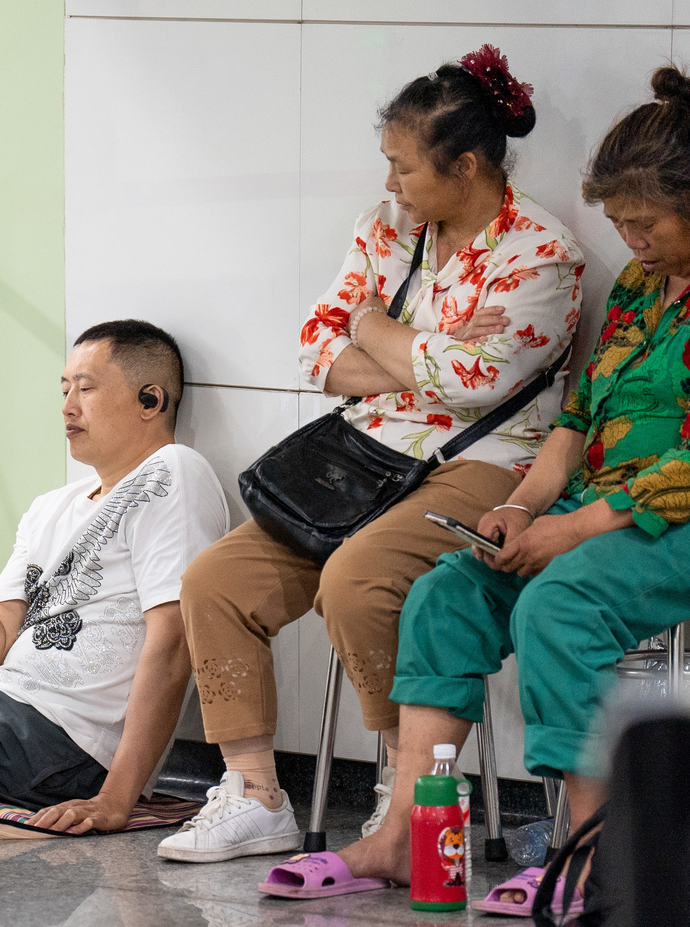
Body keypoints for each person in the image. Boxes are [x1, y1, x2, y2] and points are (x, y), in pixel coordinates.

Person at [294, 67, 690, 904]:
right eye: (621, 225)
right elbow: (576, 420)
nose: (631, 244)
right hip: (601, 503)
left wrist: (570, 530)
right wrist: (521, 508)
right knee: (446, 594)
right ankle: (404, 834)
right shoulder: (645, 280)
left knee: (561, 604)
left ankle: (590, 854)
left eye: (644, 224)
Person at [161, 45, 584, 864]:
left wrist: (376, 328)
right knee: (214, 581)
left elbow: (477, 383)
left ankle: (408, 787)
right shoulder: (386, 227)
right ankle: (254, 794)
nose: (390, 182)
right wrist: (413, 346)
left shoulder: (542, 253)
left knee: (358, 580)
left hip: (487, 462)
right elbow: (317, 352)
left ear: (465, 167)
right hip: (366, 452)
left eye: (404, 165)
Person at [0, 319, 229, 833]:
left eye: (85, 388)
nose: (67, 406)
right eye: (64, 390)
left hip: (64, 744)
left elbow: (174, 644)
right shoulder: (51, 507)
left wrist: (115, 799)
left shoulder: (174, 471)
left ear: (150, 400)